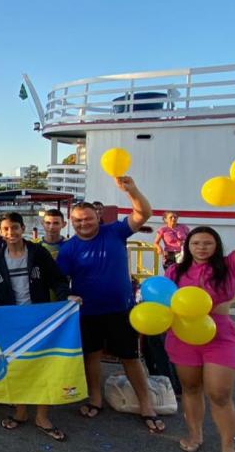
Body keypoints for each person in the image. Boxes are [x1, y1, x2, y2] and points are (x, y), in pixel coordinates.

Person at [56, 177, 165, 433]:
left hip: (120, 310)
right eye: (78, 220)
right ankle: (95, 399)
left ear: (98, 216)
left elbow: (144, 213)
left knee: (131, 358)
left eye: (88, 218)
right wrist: (66, 296)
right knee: (91, 357)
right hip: (87, 312)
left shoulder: (115, 231)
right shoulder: (68, 249)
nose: (84, 223)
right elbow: (61, 280)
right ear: (72, 222)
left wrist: (131, 190)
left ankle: (146, 404)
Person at [166, 208, 235, 452]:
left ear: (216, 245)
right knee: (191, 388)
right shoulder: (174, 272)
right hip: (182, 335)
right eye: (196, 243)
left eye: (208, 243)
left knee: (220, 394)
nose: (202, 247)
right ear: (188, 245)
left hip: (219, 336)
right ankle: (195, 434)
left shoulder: (230, 267)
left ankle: (228, 446)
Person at [0, 212, 74, 441]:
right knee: (17, 367)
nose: (10, 233)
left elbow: (58, 279)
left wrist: (66, 298)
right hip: (12, 320)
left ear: (23, 228)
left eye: (14, 228)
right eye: (5, 229)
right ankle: (21, 411)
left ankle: (42, 416)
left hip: (39, 318)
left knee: (42, 366)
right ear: (0, 232)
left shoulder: (38, 253)